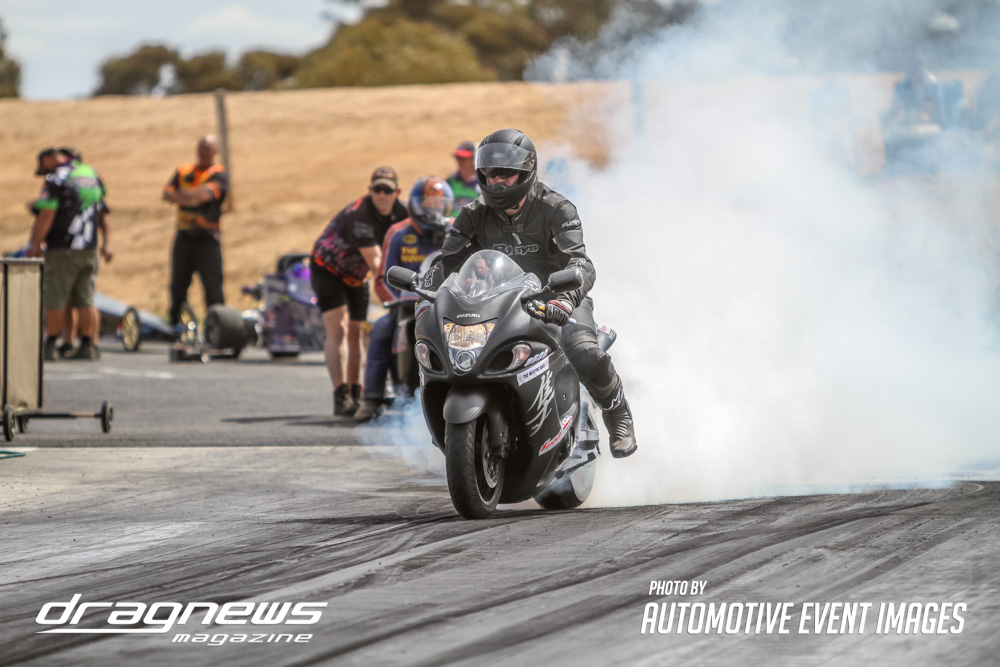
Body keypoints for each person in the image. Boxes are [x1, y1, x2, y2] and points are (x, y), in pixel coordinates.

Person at [427, 129, 637, 458]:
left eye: (506, 174)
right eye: (491, 174)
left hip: (555, 299)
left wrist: (564, 300)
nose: (497, 182)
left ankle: (617, 413)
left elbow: (580, 263)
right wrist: (428, 293)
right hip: (495, 303)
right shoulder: (472, 214)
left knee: (583, 351)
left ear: (526, 173)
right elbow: (446, 263)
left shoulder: (556, 208)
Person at [355, 176, 454, 423]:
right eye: (427, 203)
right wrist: (396, 303)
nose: (433, 209)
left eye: (438, 203)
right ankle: (372, 398)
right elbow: (382, 279)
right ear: (415, 204)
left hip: (449, 306)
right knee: (380, 331)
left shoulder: (457, 230)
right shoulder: (398, 233)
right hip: (406, 306)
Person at [311, 166, 408, 416]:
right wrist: (402, 298)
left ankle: (356, 391)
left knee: (356, 330)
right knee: (339, 329)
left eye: (387, 190)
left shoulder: (404, 213)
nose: (382, 195)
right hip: (328, 269)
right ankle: (341, 393)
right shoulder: (361, 215)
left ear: (397, 192)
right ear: (370, 191)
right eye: (377, 189)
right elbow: (377, 263)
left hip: (357, 275)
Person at [26, 148, 107, 361]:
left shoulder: (57, 177)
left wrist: (35, 244)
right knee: (85, 298)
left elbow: (47, 213)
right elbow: (102, 211)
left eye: (42, 167)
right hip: (89, 247)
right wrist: (106, 242)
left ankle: (51, 343)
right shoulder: (90, 173)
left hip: (63, 246)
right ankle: (87, 344)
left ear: (47, 159)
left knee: (55, 297)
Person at [161, 135, 229, 329]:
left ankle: (216, 329)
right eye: (201, 147)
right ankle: (176, 327)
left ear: (215, 151)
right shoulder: (184, 171)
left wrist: (182, 196)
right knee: (177, 286)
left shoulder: (219, 174)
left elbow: (202, 197)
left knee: (213, 288)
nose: (203, 152)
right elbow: (167, 194)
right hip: (183, 236)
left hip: (207, 238)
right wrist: (192, 197)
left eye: (208, 148)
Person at [889, 54, 943, 125]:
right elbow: (897, 104)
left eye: (917, 68)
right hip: (910, 119)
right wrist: (900, 111)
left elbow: (932, 103)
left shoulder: (931, 83)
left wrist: (920, 113)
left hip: (932, 120)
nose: (914, 71)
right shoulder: (902, 84)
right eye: (911, 68)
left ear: (922, 69)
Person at [446, 141, 480, 211]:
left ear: (475, 160)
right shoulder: (450, 182)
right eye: (457, 158)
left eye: (463, 158)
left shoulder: (484, 184)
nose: (459, 161)